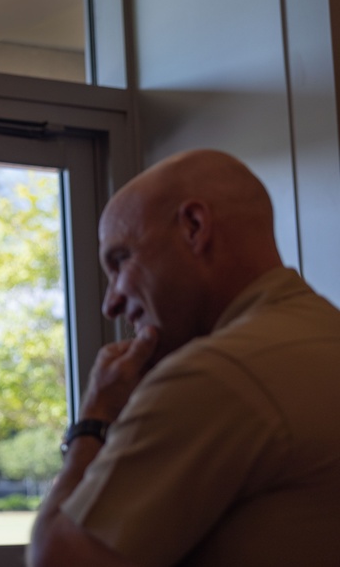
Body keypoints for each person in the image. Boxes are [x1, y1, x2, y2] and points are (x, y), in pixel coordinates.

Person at [28, 149, 340, 566]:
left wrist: (94, 418)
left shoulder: (214, 376)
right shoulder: (320, 333)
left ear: (195, 227)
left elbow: (57, 560)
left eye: (121, 260)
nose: (112, 302)